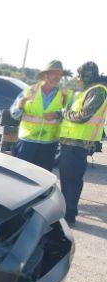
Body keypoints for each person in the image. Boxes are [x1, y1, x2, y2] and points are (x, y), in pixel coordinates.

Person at [58, 61, 107, 226]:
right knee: (67, 179)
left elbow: (83, 116)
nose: (77, 78)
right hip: (71, 143)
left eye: (80, 75)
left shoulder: (98, 91)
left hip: (77, 144)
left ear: (88, 75)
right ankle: (67, 212)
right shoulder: (89, 90)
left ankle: (69, 215)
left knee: (72, 181)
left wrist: (64, 113)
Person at [10, 60, 69, 171]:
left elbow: (69, 115)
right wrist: (19, 107)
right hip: (27, 142)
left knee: (43, 178)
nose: (58, 77)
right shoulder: (30, 91)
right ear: (45, 75)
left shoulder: (64, 95)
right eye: (55, 73)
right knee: (22, 176)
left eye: (60, 74)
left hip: (49, 144)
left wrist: (57, 114)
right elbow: (14, 114)